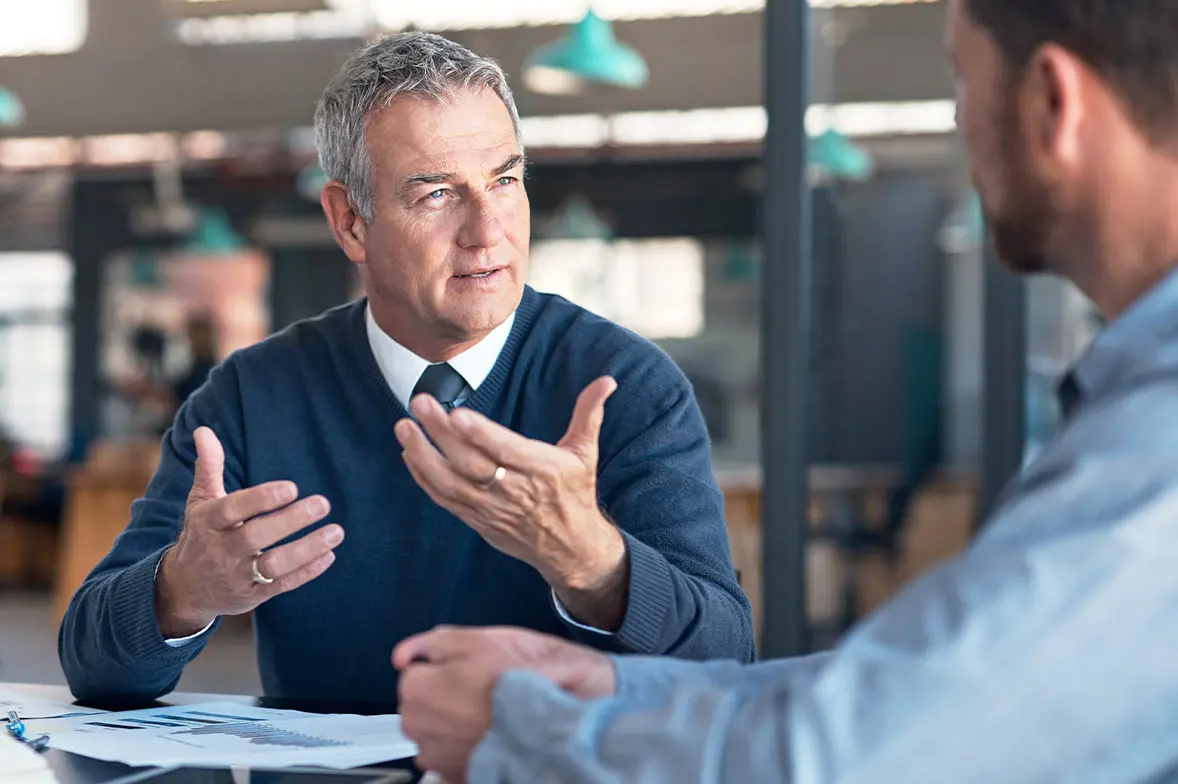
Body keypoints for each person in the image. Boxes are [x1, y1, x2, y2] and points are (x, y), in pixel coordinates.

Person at [391, 1, 1178, 781]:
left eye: (964, 85)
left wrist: (522, 732)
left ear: (1052, 102)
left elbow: (865, 754)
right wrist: (615, 686)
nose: (961, 127)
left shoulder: (1158, 437)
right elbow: (909, 694)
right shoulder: (1135, 402)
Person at [58, 32, 754, 705]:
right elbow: (93, 667)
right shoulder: (250, 397)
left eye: (505, 180)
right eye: (438, 194)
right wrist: (180, 589)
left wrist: (597, 567)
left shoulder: (625, 387)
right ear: (350, 222)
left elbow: (727, 661)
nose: (489, 231)